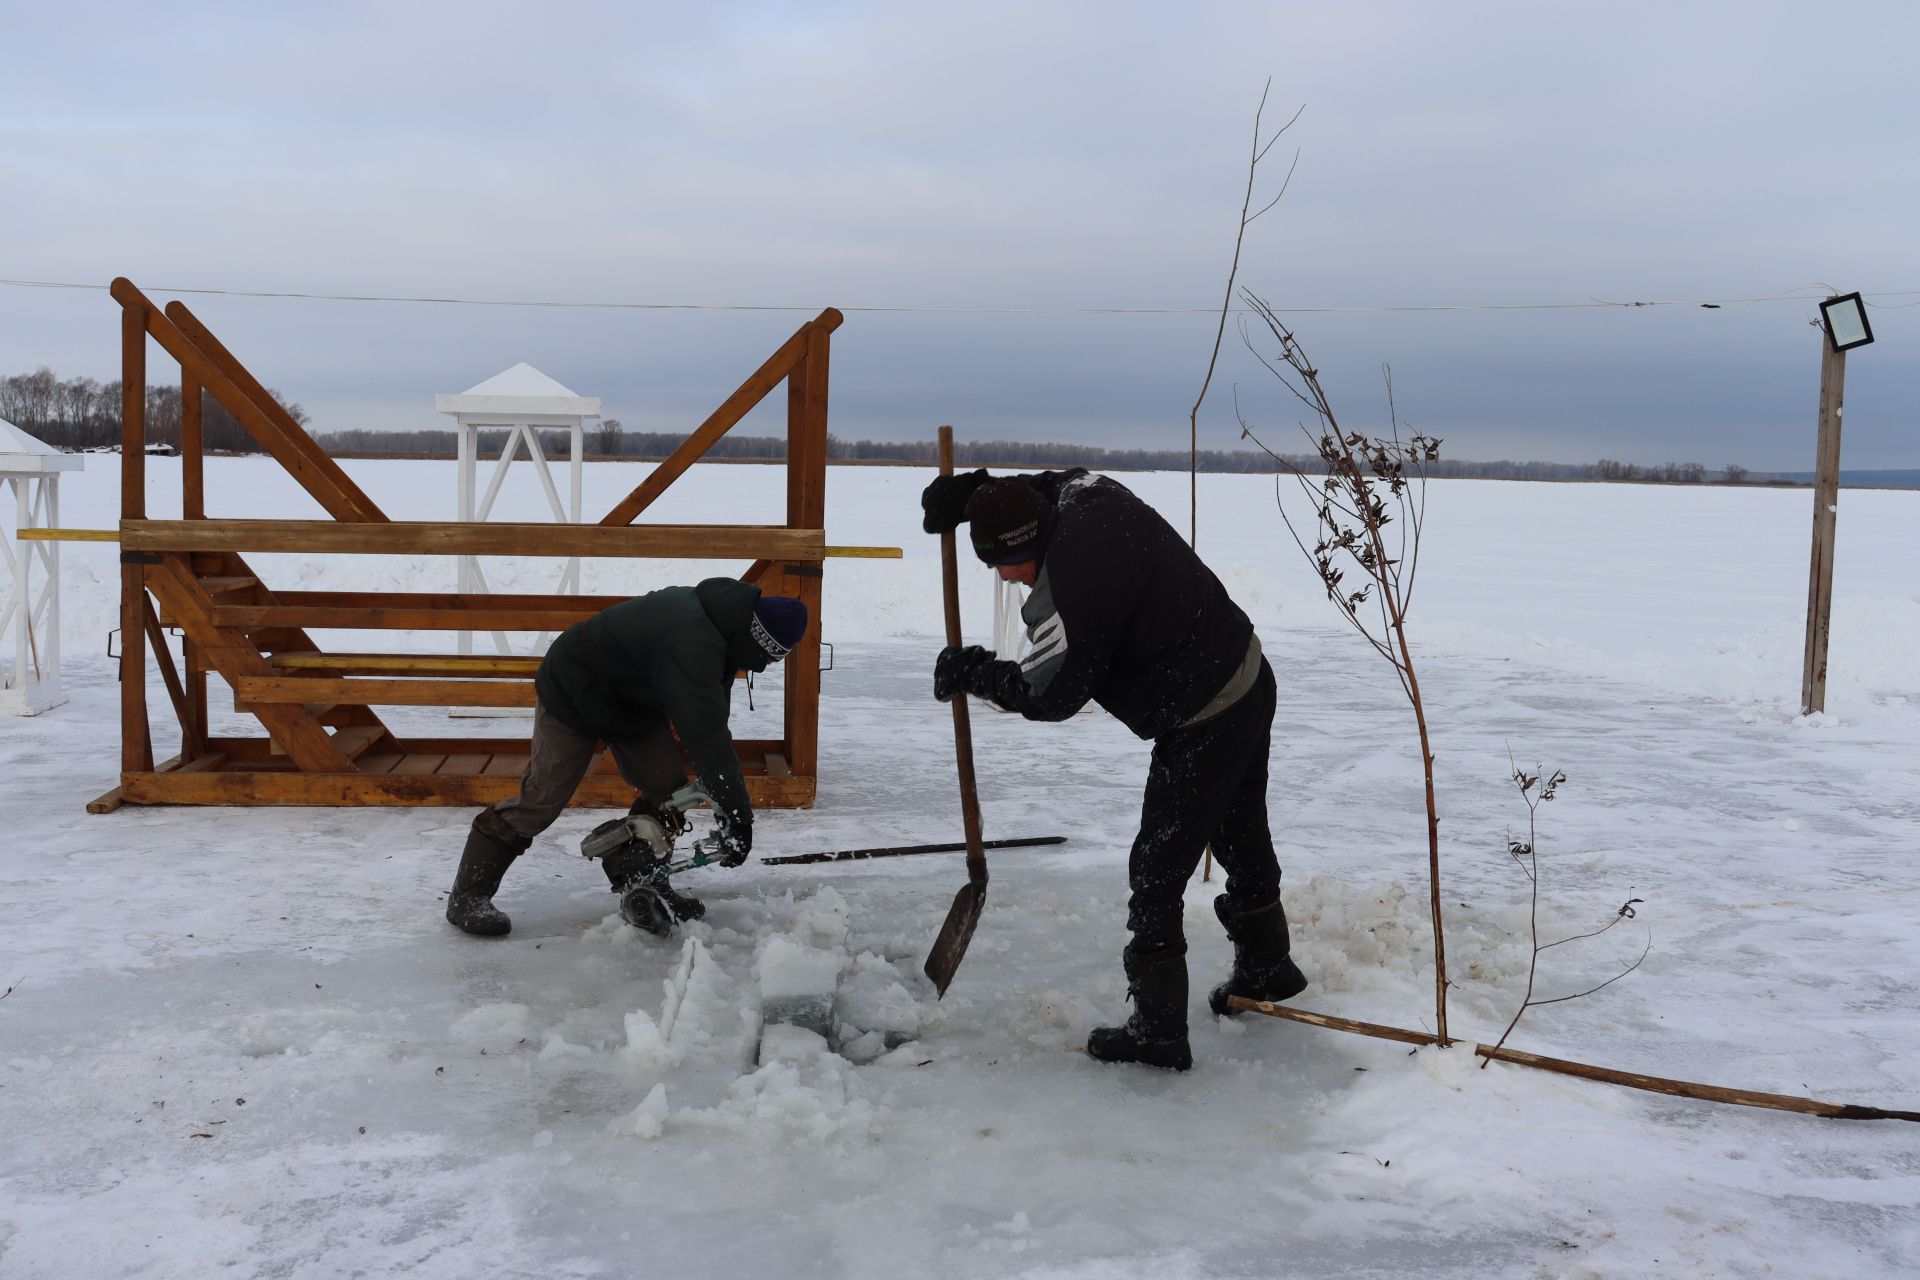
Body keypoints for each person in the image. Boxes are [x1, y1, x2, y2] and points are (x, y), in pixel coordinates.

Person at [922, 468, 1306, 1071]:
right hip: (1246, 674)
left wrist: (975, 672)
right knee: (1237, 829)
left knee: (1156, 872)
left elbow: (1049, 694)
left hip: (1203, 711)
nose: (1005, 578)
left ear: (1033, 546)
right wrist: (979, 493)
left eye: (1008, 564)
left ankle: (1159, 1033)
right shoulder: (1086, 497)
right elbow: (1055, 481)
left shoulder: (1077, 585)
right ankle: (1268, 967)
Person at [444, 578, 808, 937]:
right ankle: (468, 896)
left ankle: (645, 885)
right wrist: (737, 818)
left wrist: (728, 807)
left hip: (631, 704)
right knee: (542, 798)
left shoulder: (726, 629)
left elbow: (710, 718)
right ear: (757, 639)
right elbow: (707, 740)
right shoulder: (694, 639)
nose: (762, 667)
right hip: (574, 690)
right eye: (768, 657)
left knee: (668, 792)